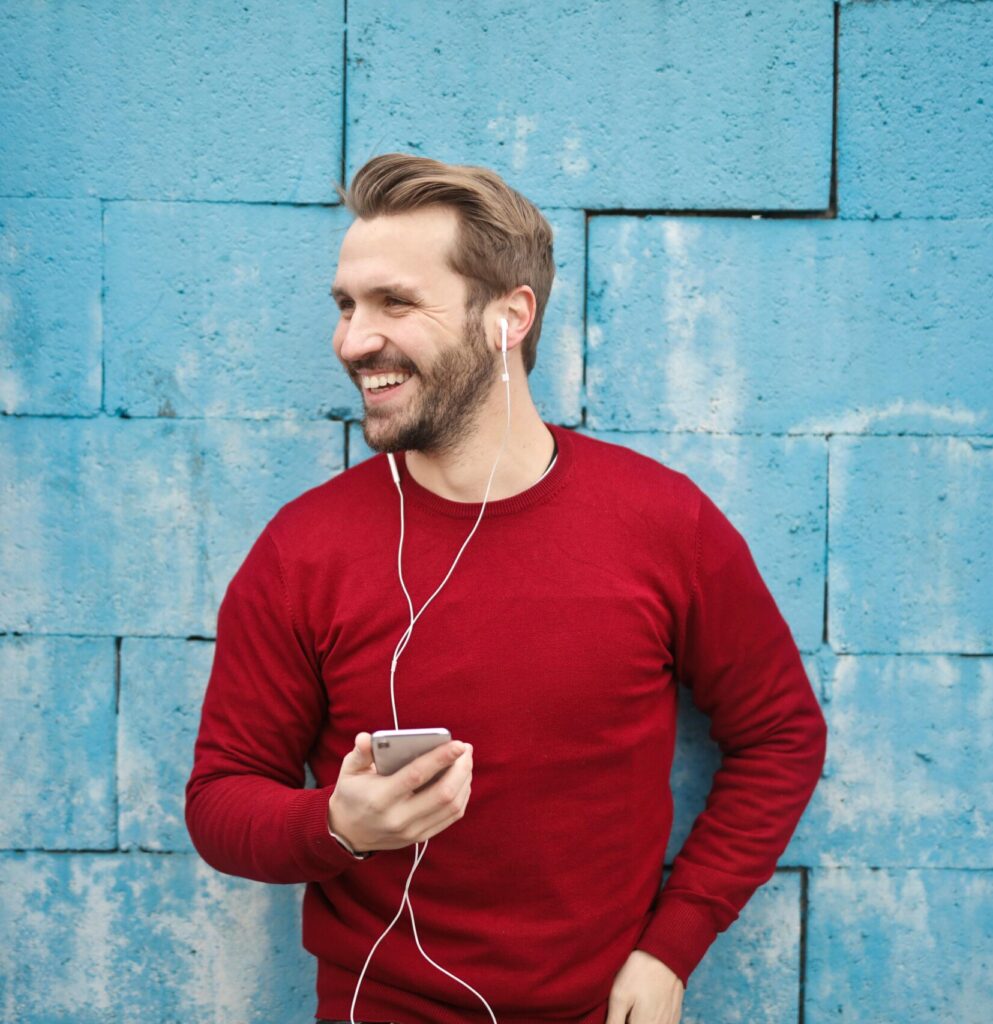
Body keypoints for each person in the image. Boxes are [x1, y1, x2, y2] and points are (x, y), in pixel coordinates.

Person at [185, 153, 828, 1024]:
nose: (351, 340)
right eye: (345, 305)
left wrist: (672, 947)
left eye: (395, 303)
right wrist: (337, 826)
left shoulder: (660, 523)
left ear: (508, 317)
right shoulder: (302, 552)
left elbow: (779, 736)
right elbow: (222, 798)